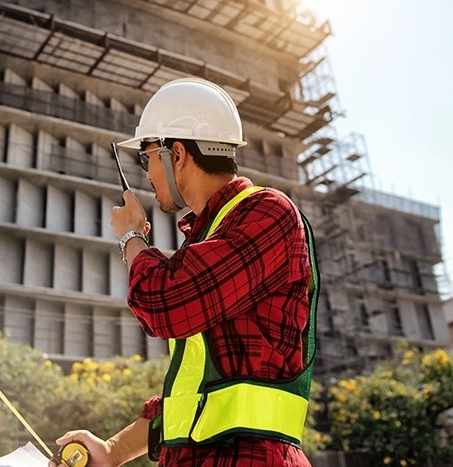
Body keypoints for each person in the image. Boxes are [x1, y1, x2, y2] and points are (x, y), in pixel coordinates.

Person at [51, 78, 319, 466]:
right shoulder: (208, 239)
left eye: (147, 159)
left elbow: (164, 303)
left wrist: (130, 236)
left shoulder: (268, 213)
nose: (146, 174)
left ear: (176, 155)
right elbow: (194, 402)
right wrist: (112, 451)